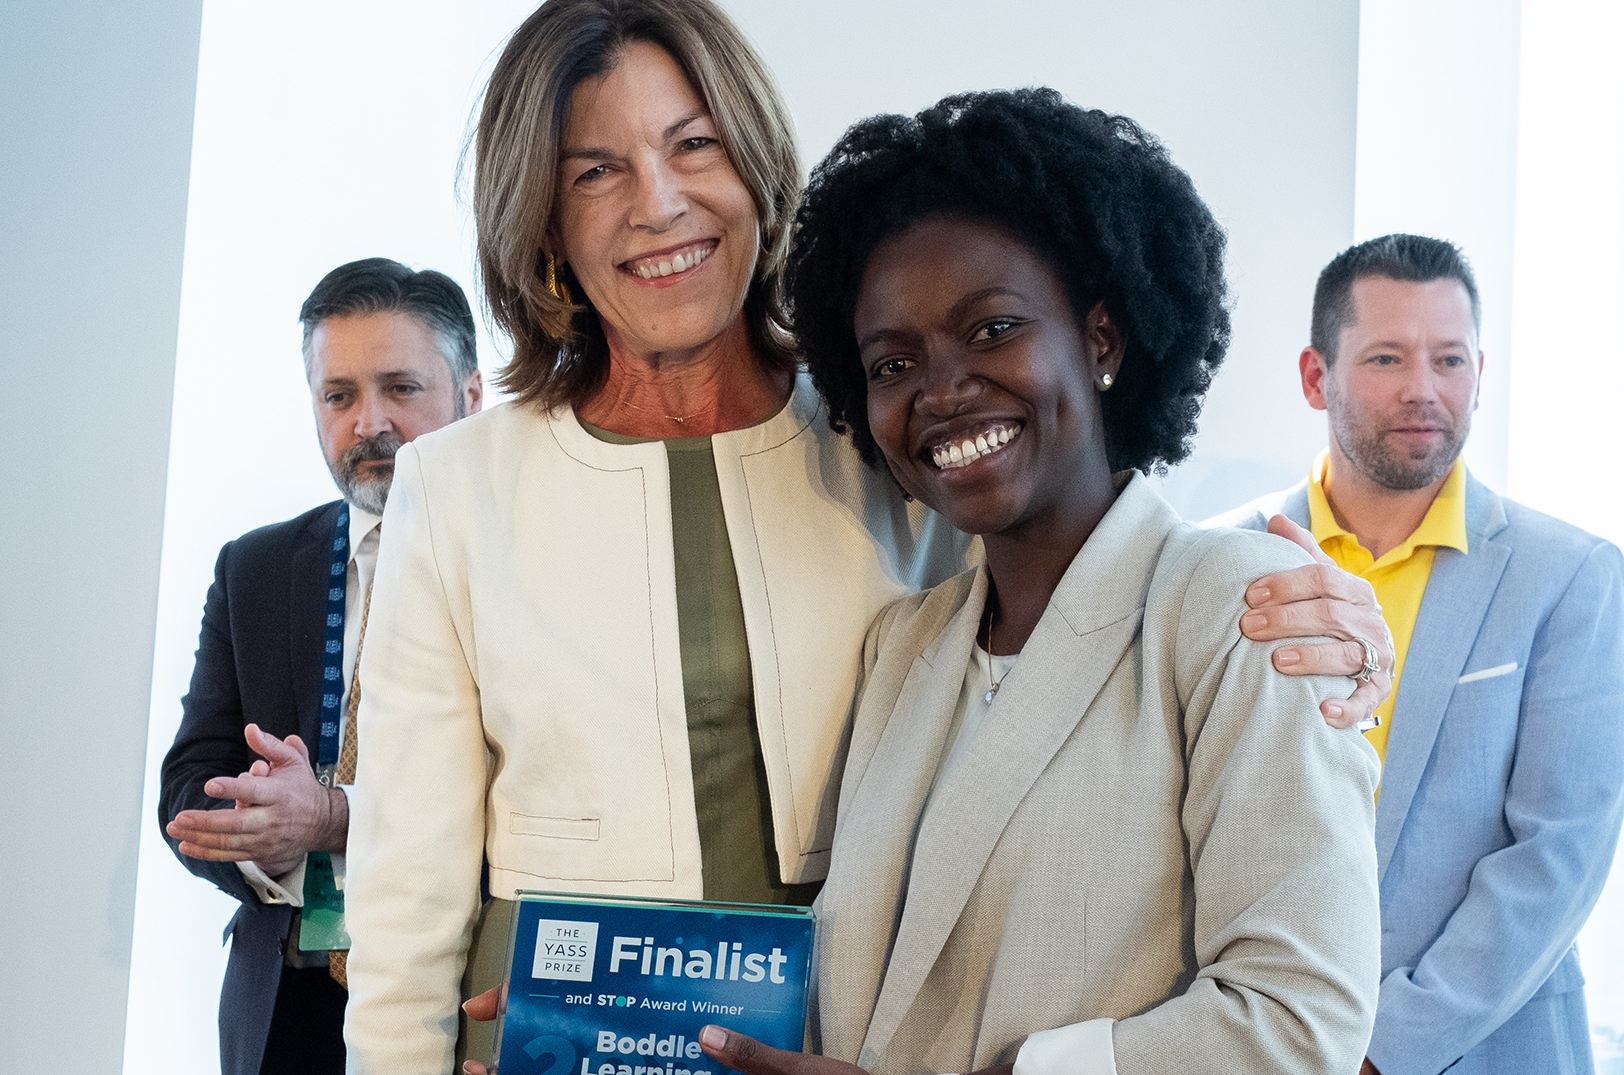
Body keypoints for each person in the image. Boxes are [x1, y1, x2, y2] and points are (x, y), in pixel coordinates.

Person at [341, 4, 1391, 1073]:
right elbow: (404, 886)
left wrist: (1337, 627)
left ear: (753, 160)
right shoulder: (462, 485)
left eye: (692, 143)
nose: (656, 204)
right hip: (561, 1042)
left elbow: (1093, 595)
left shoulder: (882, 444)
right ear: (543, 221)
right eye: (592, 171)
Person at [694, 89, 1382, 1075]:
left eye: (991, 329)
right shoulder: (907, 644)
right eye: (892, 362)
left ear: (1100, 338)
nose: (939, 390)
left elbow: (1298, 1023)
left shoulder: (1241, 606)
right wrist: (579, 1024)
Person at [1207, 234, 1624, 1075]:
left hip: (1494, 1049)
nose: (1424, 391)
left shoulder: (1573, 577)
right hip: (1252, 1040)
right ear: (1315, 376)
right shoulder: (1221, 561)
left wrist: (1376, 1051)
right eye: (1388, 357)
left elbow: (1556, 859)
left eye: (1451, 359)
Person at [159, 258, 483, 1075]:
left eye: (400, 388)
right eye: (338, 395)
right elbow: (191, 777)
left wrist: (333, 816)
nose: (368, 422)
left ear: (471, 397)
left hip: (467, 997)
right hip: (285, 1005)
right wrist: (260, 833)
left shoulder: (527, 562)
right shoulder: (255, 567)